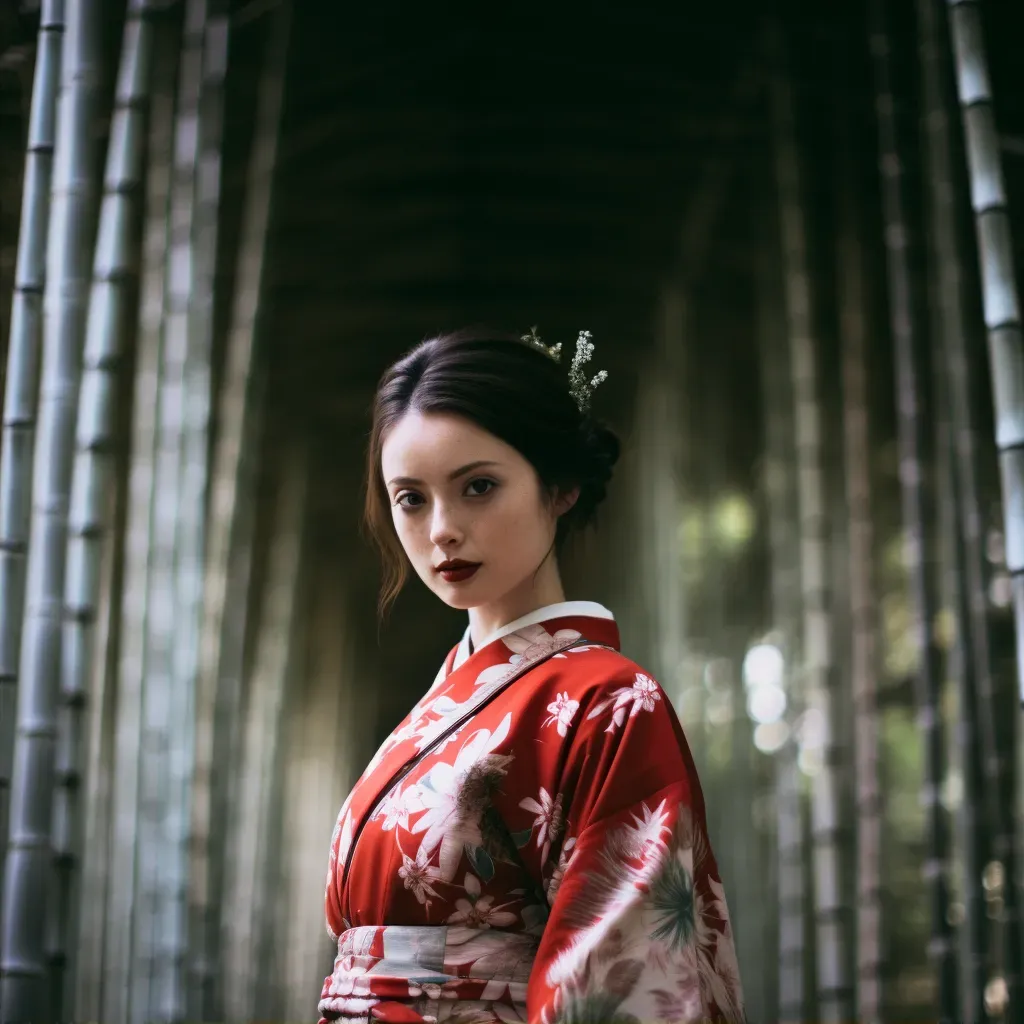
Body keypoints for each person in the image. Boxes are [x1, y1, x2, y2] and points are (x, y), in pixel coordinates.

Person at [318, 327, 745, 1024]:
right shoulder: (448, 697)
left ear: (561, 486)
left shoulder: (609, 703)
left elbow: (618, 987)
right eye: (411, 498)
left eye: (478, 487)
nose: (442, 530)